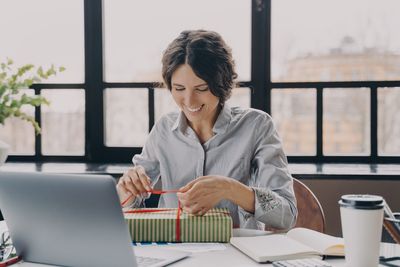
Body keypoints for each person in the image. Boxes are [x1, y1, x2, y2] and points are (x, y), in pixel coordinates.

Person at [117, 30, 297, 230]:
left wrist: (229, 188)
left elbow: (287, 214)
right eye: (179, 89)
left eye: (201, 89)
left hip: (235, 253)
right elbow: (132, 207)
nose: (189, 101)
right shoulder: (163, 129)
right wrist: (128, 191)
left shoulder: (257, 126)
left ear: (221, 83)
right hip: (174, 251)